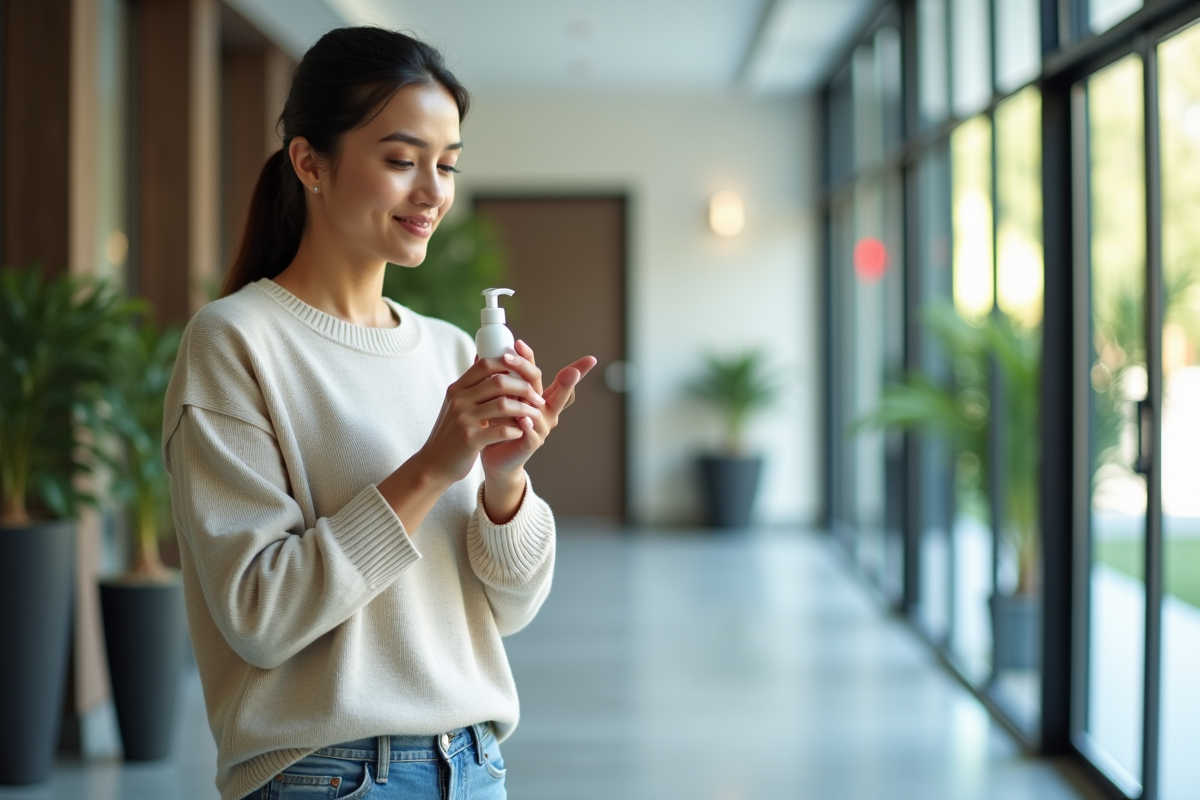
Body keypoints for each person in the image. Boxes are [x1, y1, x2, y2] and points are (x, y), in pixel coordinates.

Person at [162, 26, 596, 800]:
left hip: (475, 766)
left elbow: (511, 608)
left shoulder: (450, 350)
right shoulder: (235, 342)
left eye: (448, 164)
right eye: (402, 161)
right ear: (310, 163)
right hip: (327, 776)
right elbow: (259, 614)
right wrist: (433, 467)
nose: (433, 191)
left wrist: (504, 485)